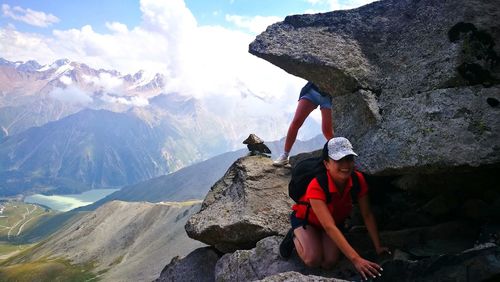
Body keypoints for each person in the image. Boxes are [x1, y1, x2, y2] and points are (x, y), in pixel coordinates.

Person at [280, 137, 390, 281]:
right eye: (339, 160)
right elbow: (329, 226)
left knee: (329, 262)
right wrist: (356, 259)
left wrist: (378, 246)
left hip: (333, 223)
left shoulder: (357, 180)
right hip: (307, 220)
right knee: (313, 259)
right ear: (326, 164)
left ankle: (313, 238)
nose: (345, 165)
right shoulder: (317, 185)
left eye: (349, 159)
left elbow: (367, 214)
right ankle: (294, 235)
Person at [273, 82, 334, 166]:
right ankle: (285, 155)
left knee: (327, 130)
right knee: (296, 122)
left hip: (329, 96)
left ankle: (339, 156)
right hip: (312, 91)